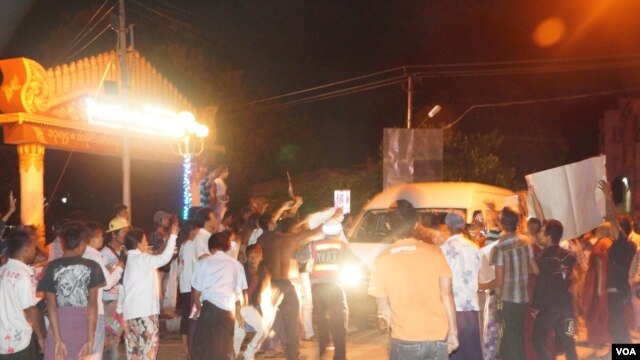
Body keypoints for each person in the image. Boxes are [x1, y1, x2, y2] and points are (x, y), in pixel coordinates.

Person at [369, 199, 458, 360]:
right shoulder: (435, 253)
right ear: (417, 224)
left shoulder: (381, 261)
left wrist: (397, 330)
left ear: (388, 225)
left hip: (405, 340)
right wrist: (453, 333)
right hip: (437, 338)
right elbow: (447, 296)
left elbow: (383, 310)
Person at [37, 221, 106, 360]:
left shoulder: (51, 267)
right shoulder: (93, 266)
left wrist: (57, 339)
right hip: (83, 327)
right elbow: (93, 305)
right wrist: (90, 339)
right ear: (82, 243)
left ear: (63, 243)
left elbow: (51, 305)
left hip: (59, 326)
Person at [262, 215, 324, 360]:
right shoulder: (293, 238)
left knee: (274, 322)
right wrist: (334, 215)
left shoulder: (270, 239)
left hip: (271, 285)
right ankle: (292, 356)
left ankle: (272, 348)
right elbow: (318, 230)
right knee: (293, 325)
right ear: (292, 229)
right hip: (287, 284)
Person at [480, 207, 538, 360]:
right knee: (518, 336)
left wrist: (481, 286)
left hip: (507, 300)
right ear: (517, 223)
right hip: (523, 299)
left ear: (501, 224)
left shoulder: (499, 249)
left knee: (509, 339)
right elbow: (535, 270)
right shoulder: (526, 244)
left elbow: (498, 281)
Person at [121, 224, 178, 360]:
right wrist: (173, 236)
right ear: (138, 243)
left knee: (134, 354)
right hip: (145, 315)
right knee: (148, 354)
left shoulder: (129, 261)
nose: (147, 243)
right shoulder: (141, 259)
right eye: (145, 240)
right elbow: (164, 258)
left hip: (130, 316)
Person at [191, 231, 247, 359]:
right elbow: (239, 294)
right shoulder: (236, 265)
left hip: (209, 309)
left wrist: (198, 309)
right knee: (223, 347)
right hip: (228, 312)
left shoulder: (204, 263)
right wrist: (240, 313)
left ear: (211, 248)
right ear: (228, 248)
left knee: (203, 346)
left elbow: (197, 292)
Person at [530, 219, 578, 360]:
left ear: (549, 236)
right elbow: (572, 277)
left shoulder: (545, 256)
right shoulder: (568, 255)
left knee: (537, 340)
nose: (539, 235)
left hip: (550, 306)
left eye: (542, 232)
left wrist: (535, 305)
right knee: (568, 342)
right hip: (567, 306)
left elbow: (542, 281)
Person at [440, 211, 482, 360]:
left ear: (447, 227)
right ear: (463, 226)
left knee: (455, 352)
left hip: (452, 308)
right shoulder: (475, 247)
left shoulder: (443, 249)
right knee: (472, 353)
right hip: (471, 307)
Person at [599, 180, 637, 344]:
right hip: (623, 289)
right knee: (617, 325)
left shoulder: (621, 243)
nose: (609, 230)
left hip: (617, 290)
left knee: (617, 326)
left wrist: (608, 197)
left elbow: (612, 219)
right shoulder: (630, 245)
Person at [309, 220, 353, 360]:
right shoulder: (341, 245)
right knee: (339, 321)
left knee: (321, 320)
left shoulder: (315, 245)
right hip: (334, 287)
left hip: (316, 288)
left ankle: (322, 351)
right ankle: (339, 356)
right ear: (339, 232)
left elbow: (304, 258)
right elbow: (354, 261)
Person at [0, 230, 46, 360]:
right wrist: (42, 338)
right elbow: (30, 309)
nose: (35, 251)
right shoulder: (21, 275)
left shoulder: (2, 270)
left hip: (3, 340)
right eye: (33, 248)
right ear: (25, 249)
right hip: (18, 341)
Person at [82, 222, 124, 360]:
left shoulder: (83, 255)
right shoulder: (96, 257)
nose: (102, 239)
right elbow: (107, 284)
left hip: (83, 309)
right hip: (98, 308)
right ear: (92, 238)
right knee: (95, 351)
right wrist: (119, 268)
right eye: (100, 237)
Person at [233, 244, 275, 360]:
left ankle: (249, 353)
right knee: (239, 334)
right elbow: (236, 290)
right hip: (238, 305)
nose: (253, 259)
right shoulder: (241, 269)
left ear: (261, 257)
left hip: (251, 307)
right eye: (250, 256)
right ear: (246, 257)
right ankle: (234, 355)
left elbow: (264, 294)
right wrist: (238, 309)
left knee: (262, 329)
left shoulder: (264, 272)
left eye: (255, 256)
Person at [100, 217, 128, 360]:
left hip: (120, 301)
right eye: (122, 232)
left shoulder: (125, 250)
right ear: (113, 234)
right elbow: (104, 277)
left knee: (116, 337)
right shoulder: (104, 253)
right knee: (110, 338)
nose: (125, 235)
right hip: (109, 301)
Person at [176, 219, 199, 356]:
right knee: (192, 316)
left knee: (185, 316)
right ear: (192, 231)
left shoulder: (183, 245)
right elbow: (195, 267)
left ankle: (185, 346)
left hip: (184, 285)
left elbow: (180, 268)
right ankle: (190, 346)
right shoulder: (191, 245)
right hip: (192, 286)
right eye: (197, 229)